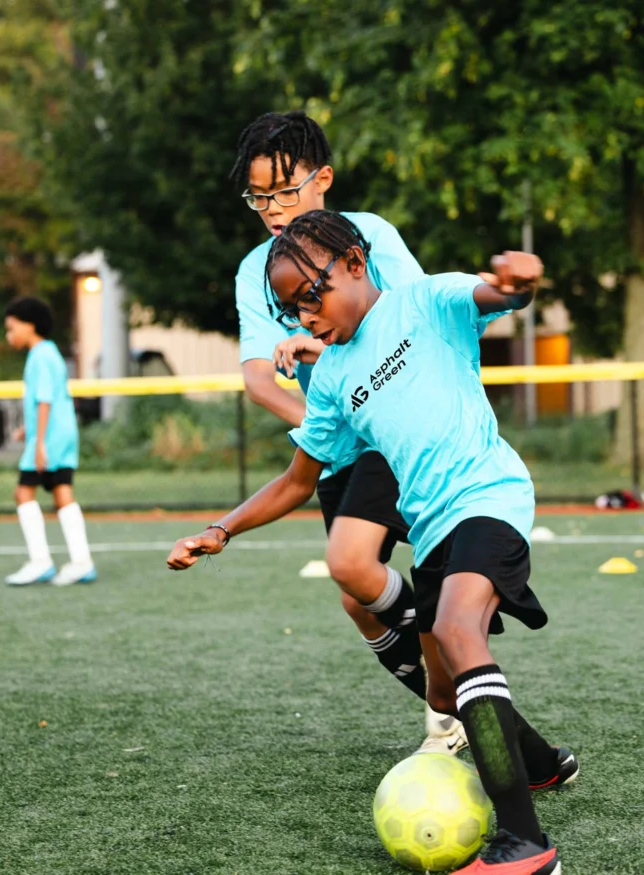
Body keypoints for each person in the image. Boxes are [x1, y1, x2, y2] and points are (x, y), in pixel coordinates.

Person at [166, 211, 574, 875]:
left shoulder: (427, 301)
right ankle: (541, 765)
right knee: (444, 693)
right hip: (434, 529)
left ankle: (527, 847)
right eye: (291, 312)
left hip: (488, 496)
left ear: (356, 262)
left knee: (457, 628)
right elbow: (298, 478)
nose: (306, 320)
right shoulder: (329, 379)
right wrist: (221, 528)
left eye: (312, 297)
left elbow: (496, 295)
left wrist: (519, 283)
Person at [228, 111, 464, 754]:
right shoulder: (257, 271)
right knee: (358, 600)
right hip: (341, 449)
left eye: (286, 191)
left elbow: (417, 320)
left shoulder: (371, 236)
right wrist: (327, 426)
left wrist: (356, 385)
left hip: (400, 437)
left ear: (322, 179)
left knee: (374, 568)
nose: (273, 209)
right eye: (259, 197)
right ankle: (458, 702)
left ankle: (454, 714)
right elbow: (257, 379)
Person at [2, 297, 96, 586]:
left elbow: (44, 400)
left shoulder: (40, 356)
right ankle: (82, 562)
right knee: (61, 491)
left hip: (51, 437)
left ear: (30, 326)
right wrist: (27, 429)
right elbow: (49, 398)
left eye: (11, 328)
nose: (9, 335)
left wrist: (39, 441)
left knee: (23, 492)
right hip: (63, 433)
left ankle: (40, 561)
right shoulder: (50, 352)